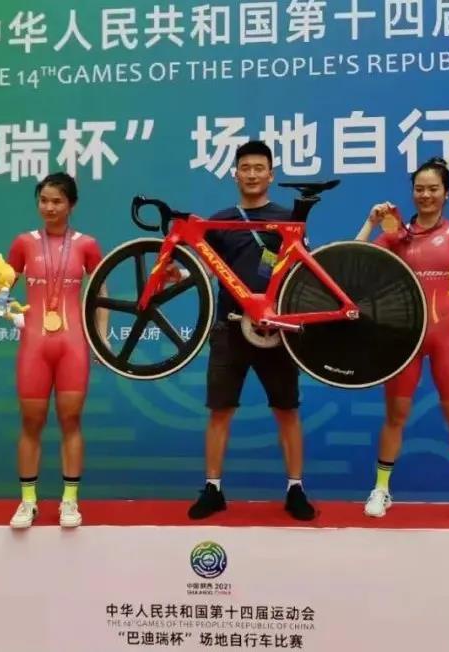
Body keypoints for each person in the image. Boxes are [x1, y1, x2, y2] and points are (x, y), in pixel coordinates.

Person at [176, 141, 316, 521]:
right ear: (234, 174)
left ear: (271, 175)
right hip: (230, 327)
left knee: (287, 410)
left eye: (259, 168)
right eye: (245, 168)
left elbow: (302, 271)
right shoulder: (220, 221)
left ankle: (296, 488)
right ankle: (213, 489)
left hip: (276, 330)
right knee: (220, 411)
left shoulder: (287, 219)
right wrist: (180, 275)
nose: (252, 174)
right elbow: (205, 270)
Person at [354, 157, 449, 524]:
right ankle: (381, 489)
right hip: (405, 341)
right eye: (419, 189)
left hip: (446, 339)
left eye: (433, 189)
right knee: (395, 416)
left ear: (446, 193)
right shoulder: (397, 234)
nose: (425, 195)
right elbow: (355, 261)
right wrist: (370, 222)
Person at [0, 172, 106, 529]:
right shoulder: (23, 243)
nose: (49, 207)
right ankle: (27, 502)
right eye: (43, 200)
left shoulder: (87, 244)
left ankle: (69, 501)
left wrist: (101, 339)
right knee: (31, 422)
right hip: (35, 346)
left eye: (57, 201)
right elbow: (1, 289)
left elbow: (100, 294)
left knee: (70, 421)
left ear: (71, 204)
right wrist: (4, 309)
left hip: (72, 346)